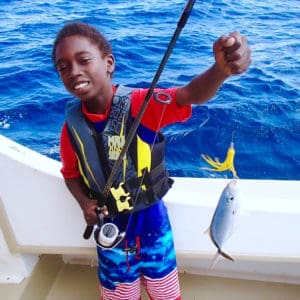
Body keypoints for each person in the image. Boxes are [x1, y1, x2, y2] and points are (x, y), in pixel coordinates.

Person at [52, 21, 251, 300]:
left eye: (83, 60)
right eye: (63, 67)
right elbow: (71, 173)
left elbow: (188, 95)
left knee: (166, 294)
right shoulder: (70, 128)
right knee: (118, 296)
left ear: (109, 63)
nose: (74, 71)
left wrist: (220, 71)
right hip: (109, 233)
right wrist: (85, 203)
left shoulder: (140, 105)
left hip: (153, 228)